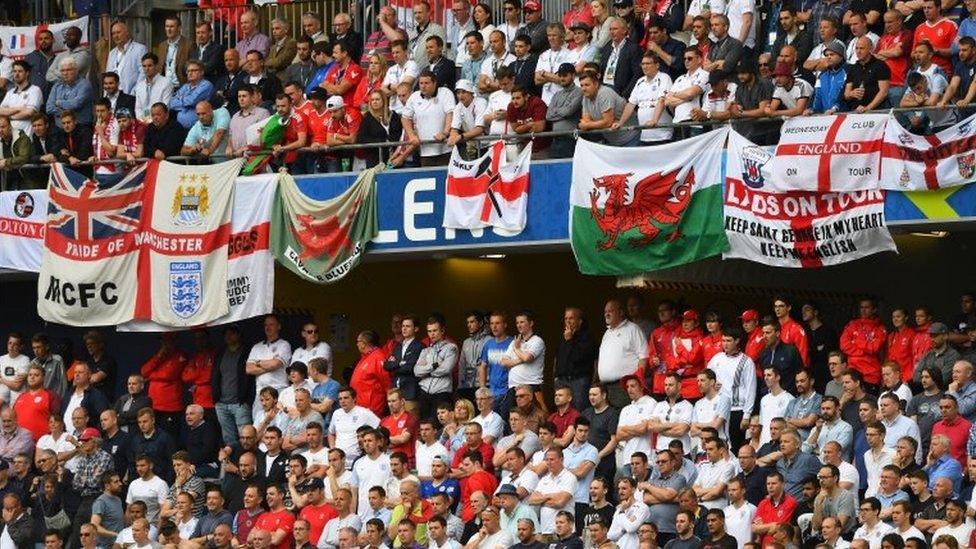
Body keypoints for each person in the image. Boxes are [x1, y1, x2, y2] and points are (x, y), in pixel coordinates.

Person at [402, 70, 455, 166]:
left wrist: (445, 132)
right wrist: (411, 135)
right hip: (425, 151)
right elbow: (405, 117)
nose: (423, 86)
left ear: (435, 83)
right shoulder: (414, 97)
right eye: (421, 83)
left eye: (426, 83)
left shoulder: (445, 93)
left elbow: (450, 114)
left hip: (446, 148)